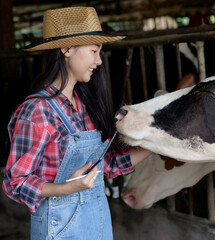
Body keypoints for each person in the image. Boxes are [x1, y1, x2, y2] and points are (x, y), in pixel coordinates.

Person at [2, 6, 151, 239]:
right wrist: (66, 189)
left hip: (98, 226)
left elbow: (105, 166)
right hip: (59, 230)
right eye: (94, 51)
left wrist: (156, 144)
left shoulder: (85, 105)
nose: (99, 61)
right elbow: (15, 182)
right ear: (67, 49)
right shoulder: (37, 111)